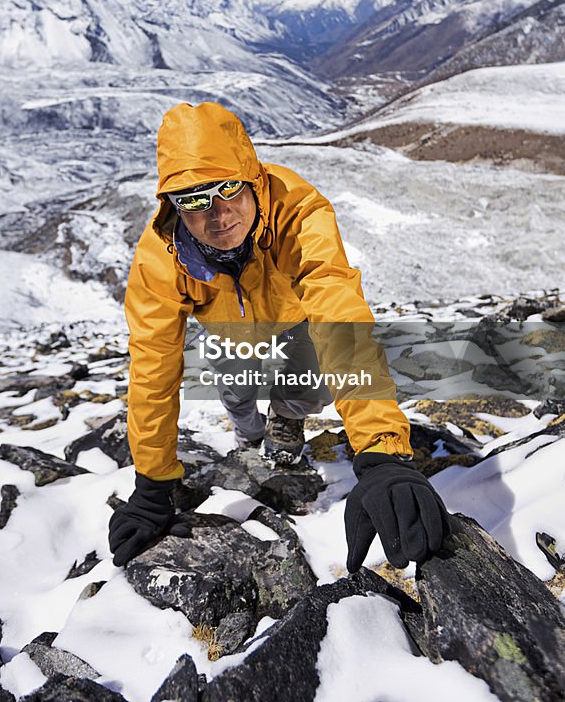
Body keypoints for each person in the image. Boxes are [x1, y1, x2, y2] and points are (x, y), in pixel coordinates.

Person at [109, 102, 450, 570]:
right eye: (193, 200)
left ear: (252, 177)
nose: (218, 213)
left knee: (308, 385)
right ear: (172, 207)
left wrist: (381, 453)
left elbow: (338, 317)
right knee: (237, 389)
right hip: (228, 329)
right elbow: (153, 365)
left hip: (294, 318)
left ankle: (285, 420)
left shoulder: (298, 213)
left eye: (228, 188)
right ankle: (249, 437)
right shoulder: (160, 258)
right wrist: (152, 483)